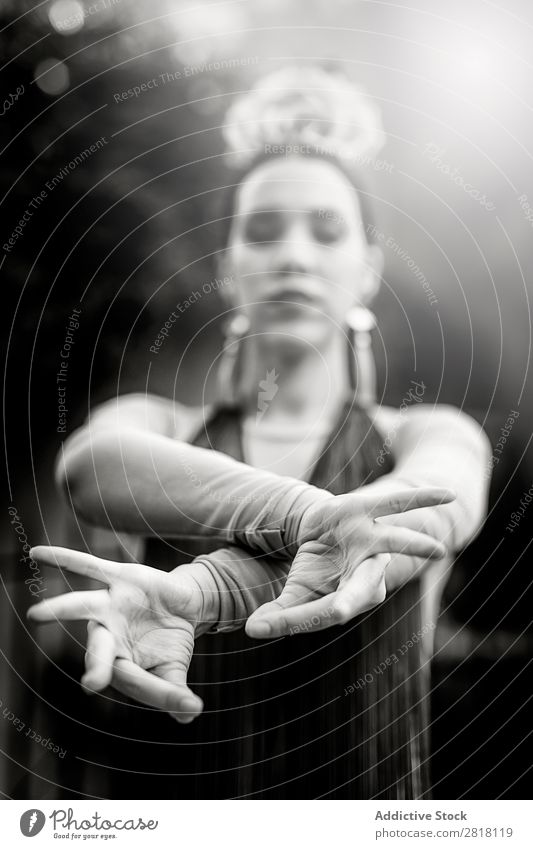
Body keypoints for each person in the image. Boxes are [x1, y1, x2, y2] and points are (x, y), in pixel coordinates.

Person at [28, 67, 490, 798]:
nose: (294, 256)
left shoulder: (426, 434)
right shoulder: (162, 425)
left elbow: (435, 504)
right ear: (229, 270)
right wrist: (314, 517)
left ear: (367, 269)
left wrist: (207, 590)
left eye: (326, 230)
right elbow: (92, 465)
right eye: (264, 231)